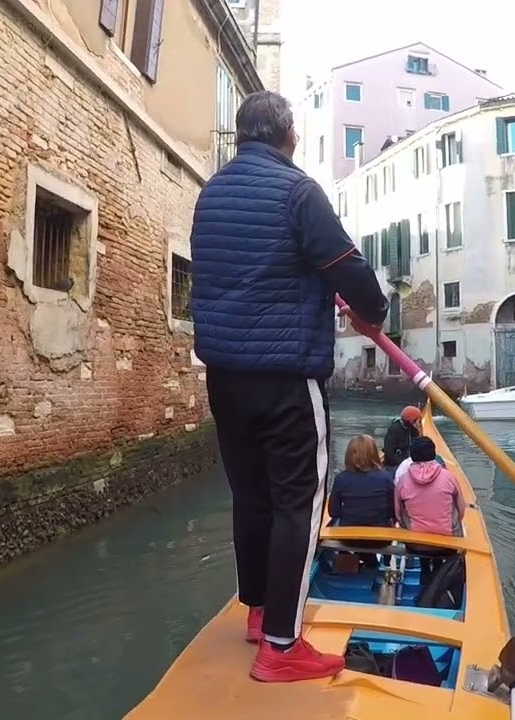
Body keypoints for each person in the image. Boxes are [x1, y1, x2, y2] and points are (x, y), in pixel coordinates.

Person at [189, 90, 388, 683]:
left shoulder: (209, 195)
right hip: (286, 376)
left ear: (241, 133)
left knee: (251, 496)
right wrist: (371, 312)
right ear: (289, 135)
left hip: (224, 378)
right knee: (297, 503)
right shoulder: (298, 192)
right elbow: (348, 266)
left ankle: (258, 613)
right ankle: (281, 645)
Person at [395, 437, 466, 597]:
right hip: (447, 542)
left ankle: (425, 571)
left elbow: (398, 514)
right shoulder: (449, 478)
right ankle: (441, 580)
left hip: (416, 544)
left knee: (418, 537)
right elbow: (461, 510)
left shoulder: (403, 481)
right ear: (433, 454)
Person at [327, 435, 396, 568]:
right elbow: (392, 512)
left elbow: (333, 511)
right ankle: (376, 563)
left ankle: (353, 564)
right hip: (380, 539)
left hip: (349, 539)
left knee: (337, 524)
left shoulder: (341, 479)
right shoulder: (386, 477)